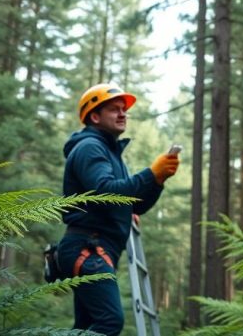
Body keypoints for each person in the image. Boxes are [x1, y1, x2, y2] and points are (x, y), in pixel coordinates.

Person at [57, 83, 180, 336]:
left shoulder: (110, 153)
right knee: (109, 322)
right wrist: (149, 174)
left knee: (85, 328)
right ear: (94, 116)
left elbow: (135, 204)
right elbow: (105, 192)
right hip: (88, 247)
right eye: (114, 109)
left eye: (124, 109)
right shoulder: (90, 147)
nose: (123, 113)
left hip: (96, 248)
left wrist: (157, 181)